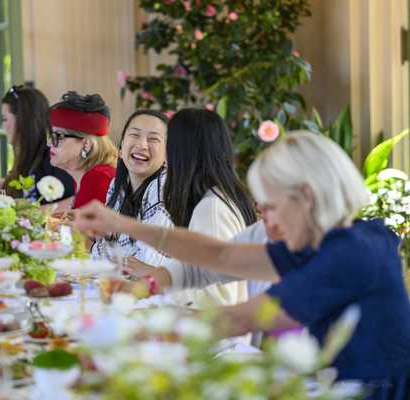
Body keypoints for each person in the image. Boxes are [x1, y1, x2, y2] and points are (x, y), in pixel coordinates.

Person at [74, 132, 410, 399]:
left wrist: (125, 336)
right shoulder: (329, 240)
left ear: (306, 196)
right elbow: (219, 256)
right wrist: (123, 224)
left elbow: (240, 318)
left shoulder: (352, 253)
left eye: (272, 207)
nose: (268, 224)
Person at [120, 109, 257, 306]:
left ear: (182, 152)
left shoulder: (212, 209)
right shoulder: (218, 197)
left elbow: (217, 298)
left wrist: (159, 285)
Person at [91, 109, 171, 267]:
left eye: (153, 139)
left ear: (167, 156)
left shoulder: (164, 189)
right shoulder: (118, 183)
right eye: (134, 135)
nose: (142, 145)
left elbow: (146, 263)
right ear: (121, 148)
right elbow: (101, 250)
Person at [48, 91, 117, 209]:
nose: (49, 143)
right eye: (51, 135)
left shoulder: (98, 178)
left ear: (87, 144)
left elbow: (83, 227)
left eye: (58, 136)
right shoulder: (84, 176)